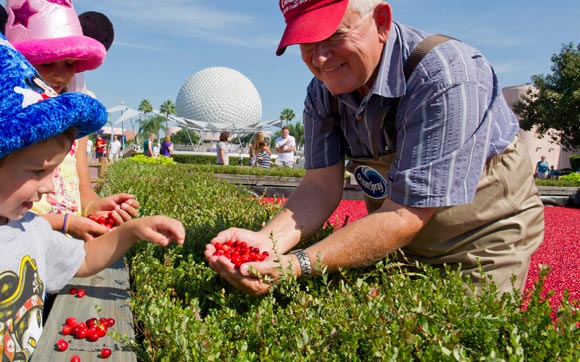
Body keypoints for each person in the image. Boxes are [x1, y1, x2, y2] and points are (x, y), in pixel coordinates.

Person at [205, 0, 544, 296]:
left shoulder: (445, 76)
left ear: (380, 21)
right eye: (306, 43)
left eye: (334, 35)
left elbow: (404, 215)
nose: (320, 58)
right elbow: (319, 187)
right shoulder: (323, 92)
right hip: (395, 237)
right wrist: (267, 242)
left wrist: (298, 264)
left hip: (480, 239)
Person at [0, 34, 186, 361]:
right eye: (36, 173)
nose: (49, 188)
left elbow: (82, 260)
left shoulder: (31, 229)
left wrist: (132, 231)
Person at [4, 0, 140, 242]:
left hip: (62, 242)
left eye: (69, 63)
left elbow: (83, 188)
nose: (61, 74)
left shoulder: (74, 109)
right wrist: (64, 223)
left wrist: (92, 206)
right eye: (47, 63)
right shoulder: (12, 119)